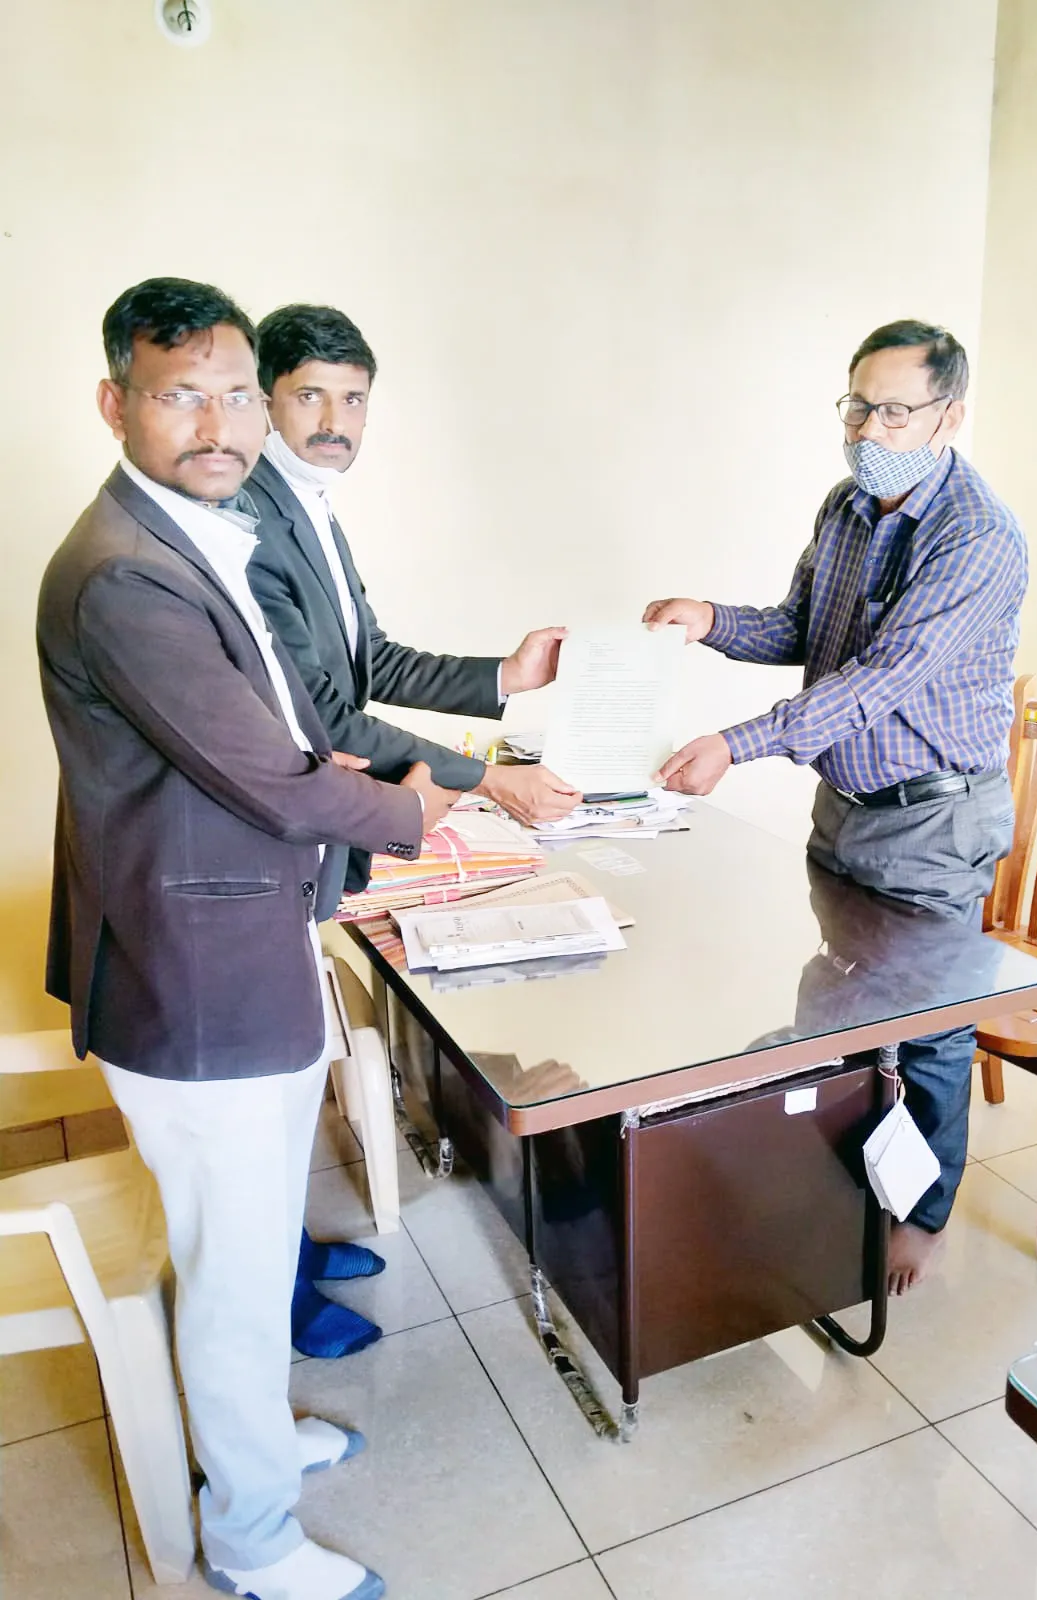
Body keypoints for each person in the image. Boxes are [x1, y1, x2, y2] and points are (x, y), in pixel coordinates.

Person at [37, 276, 449, 1600]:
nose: (217, 425)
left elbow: (264, 733)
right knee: (232, 1269)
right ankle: (253, 1542)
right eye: (180, 396)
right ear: (117, 404)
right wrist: (410, 810)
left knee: (260, 1243)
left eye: (233, 395)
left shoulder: (194, 531)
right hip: (194, 977)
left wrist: (339, 776)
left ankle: (259, 1443)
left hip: (238, 944)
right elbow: (267, 779)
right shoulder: (124, 574)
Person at [643, 319, 1028, 1296]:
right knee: (833, 1002)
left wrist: (737, 743)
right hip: (847, 805)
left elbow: (882, 678)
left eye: (895, 411)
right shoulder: (847, 504)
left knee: (929, 1031)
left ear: (949, 416)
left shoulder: (977, 538)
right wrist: (711, 620)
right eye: (857, 405)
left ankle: (920, 1216)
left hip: (934, 821)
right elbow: (803, 629)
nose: (868, 429)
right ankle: (845, 1178)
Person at [242, 303, 581, 1356]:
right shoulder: (250, 517)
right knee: (268, 1086)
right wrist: (488, 780)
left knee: (291, 1070)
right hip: (273, 842)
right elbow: (324, 717)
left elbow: (370, 659)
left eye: (353, 399)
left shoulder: (310, 506)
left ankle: (290, 1254)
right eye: (310, 394)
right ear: (264, 400)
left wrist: (505, 676)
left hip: (311, 840)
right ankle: (275, 1292)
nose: (335, 419)